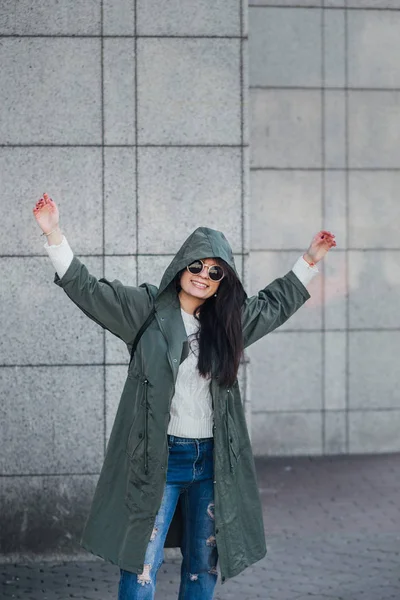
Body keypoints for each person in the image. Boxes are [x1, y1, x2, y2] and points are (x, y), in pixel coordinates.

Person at [33, 192, 336, 600]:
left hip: (212, 463)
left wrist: (311, 260)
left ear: (221, 283)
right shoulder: (144, 310)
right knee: (141, 565)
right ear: (181, 265)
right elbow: (87, 289)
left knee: (202, 569)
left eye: (215, 272)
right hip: (160, 459)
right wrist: (54, 233)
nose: (203, 275)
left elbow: (273, 305)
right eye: (196, 265)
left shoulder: (228, 324)